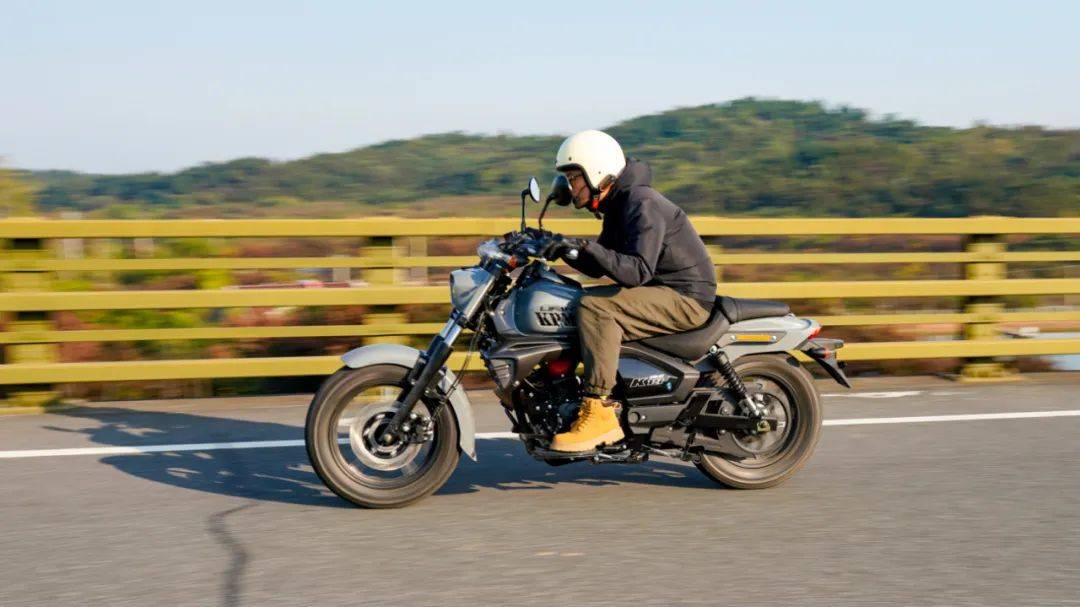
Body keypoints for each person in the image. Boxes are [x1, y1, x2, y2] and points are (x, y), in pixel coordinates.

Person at [540, 130, 717, 452]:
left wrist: (584, 246)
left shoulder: (641, 202)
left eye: (574, 177)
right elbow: (599, 265)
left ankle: (599, 412)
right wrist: (561, 247)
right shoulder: (618, 203)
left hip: (685, 297)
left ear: (596, 171)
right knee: (574, 299)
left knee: (596, 307)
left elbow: (636, 271)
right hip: (660, 291)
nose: (570, 186)